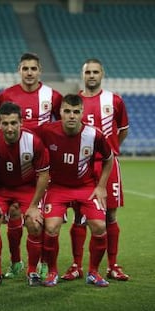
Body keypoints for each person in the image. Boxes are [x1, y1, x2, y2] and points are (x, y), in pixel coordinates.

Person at [61, 59, 130, 282]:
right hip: (82, 165)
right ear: (83, 75)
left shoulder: (115, 100)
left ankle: (113, 265)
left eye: (95, 72)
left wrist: (109, 151)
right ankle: (76, 265)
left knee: (110, 214)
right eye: (88, 72)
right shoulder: (74, 102)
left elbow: (122, 131)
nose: (91, 75)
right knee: (80, 216)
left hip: (107, 165)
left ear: (102, 74)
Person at [0, 52, 62, 279]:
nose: (30, 72)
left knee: (38, 219)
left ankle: (43, 262)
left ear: (40, 70)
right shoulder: (7, 95)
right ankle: (16, 262)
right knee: (13, 213)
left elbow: (62, 123)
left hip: (40, 166)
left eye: (33, 68)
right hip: (12, 164)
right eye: (25, 68)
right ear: (19, 70)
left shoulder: (52, 96)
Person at [35, 94, 114, 287]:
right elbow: (24, 136)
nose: (72, 116)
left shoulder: (94, 134)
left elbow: (109, 158)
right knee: (51, 227)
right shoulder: (46, 130)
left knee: (100, 227)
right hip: (57, 187)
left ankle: (93, 272)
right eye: (67, 111)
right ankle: (52, 271)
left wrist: (101, 186)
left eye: (76, 112)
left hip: (85, 187)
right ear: (60, 112)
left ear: (82, 113)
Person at [0, 102, 50, 286]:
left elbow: (43, 175)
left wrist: (35, 206)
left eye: (13, 123)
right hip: (1, 189)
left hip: (27, 189)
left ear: (21, 122)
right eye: (5, 124)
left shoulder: (33, 141)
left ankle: (32, 271)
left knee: (34, 224)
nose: (9, 128)